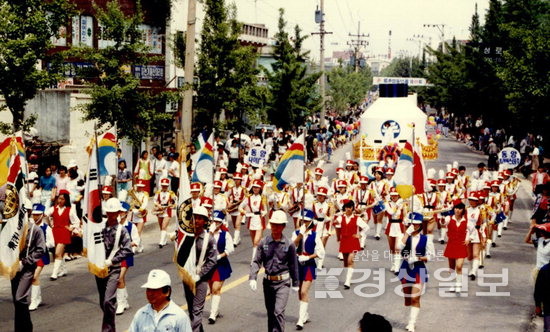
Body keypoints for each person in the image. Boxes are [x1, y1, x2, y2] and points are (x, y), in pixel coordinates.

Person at [250, 210, 299, 332]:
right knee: (271, 313)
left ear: (283, 226)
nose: (275, 227)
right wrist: (253, 277)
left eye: (278, 225)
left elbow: (293, 265)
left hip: (283, 283)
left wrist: (296, 283)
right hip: (268, 282)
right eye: (273, 224)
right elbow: (256, 261)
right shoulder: (264, 242)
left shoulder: (289, 244)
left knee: (278, 311)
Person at [95, 197, 133, 332]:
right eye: (109, 212)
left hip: (114, 269)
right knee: (103, 303)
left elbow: (128, 249)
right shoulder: (99, 227)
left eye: (114, 212)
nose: (111, 215)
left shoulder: (122, 230)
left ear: (118, 213)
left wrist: (112, 261)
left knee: (108, 301)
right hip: (99, 269)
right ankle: (111, 328)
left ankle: (107, 330)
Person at [11, 203, 46, 332]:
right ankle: (22, 328)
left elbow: (40, 249)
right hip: (14, 268)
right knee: (17, 301)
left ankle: (26, 327)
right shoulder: (14, 230)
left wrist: (25, 262)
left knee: (20, 297)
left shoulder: (35, 230)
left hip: (27, 268)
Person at [397, 212, 435, 332]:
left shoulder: (425, 239)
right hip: (405, 267)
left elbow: (431, 255)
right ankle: (410, 310)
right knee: (407, 296)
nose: (414, 226)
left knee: (415, 298)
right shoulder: (404, 236)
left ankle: (411, 323)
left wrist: (419, 258)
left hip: (419, 268)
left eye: (416, 224)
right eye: (412, 224)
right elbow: (398, 248)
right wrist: (406, 234)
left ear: (420, 226)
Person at [183, 206, 218, 332]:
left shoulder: (209, 239)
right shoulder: (186, 236)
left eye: (199, 218)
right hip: (187, 277)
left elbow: (212, 260)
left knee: (197, 311)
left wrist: (200, 275)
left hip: (200, 279)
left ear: (205, 221)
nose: (196, 221)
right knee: (191, 309)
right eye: (194, 217)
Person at [291, 209, 325, 330]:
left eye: (307, 221)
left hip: (309, 264)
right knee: (300, 291)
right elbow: (292, 247)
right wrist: (300, 235)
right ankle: (304, 314)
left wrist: (308, 256)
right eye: (303, 220)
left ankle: (300, 320)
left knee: (304, 291)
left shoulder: (315, 235)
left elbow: (321, 252)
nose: (304, 223)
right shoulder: (296, 233)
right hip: (297, 264)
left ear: (311, 222)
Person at [45, 189, 80, 280]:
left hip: (64, 233)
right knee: (60, 253)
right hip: (55, 232)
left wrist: (71, 228)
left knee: (57, 253)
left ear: (66, 200)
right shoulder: (53, 208)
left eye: (62, 199)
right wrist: (49, 223)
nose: (60, 201)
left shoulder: (69, 210)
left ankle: (54, 273)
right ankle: (63, 269)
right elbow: (45, 215)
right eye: (59, 199)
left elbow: (77, 221)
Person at [208, 210, 234, 324]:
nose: (215, 223)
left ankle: (212, 314)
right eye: (213, 221)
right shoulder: (207, 233)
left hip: (220, 264)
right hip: (208, 265)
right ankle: (216, 310)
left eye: (217, 222)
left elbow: (230, 249)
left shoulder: (225, 234)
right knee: (211, 288)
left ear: (221, 223)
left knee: (216, 289)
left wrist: (220, 256)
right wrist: (210, 234)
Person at [336, 200, 369, 288]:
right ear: (344, 208)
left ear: (352, 208)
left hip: (353, 241)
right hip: (344, 241)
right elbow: (336, 225)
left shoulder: (356, 218)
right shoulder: (340, 218)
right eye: (346, 207)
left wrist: (360, 235)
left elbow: (366, 227)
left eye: (350, 207)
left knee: (351, 260)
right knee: (346, 263)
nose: (348, 209)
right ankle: (348, 276)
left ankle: (347, 281)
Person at [29, 204, 54, 311]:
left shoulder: (46, 228)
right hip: (30, 256)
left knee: (34, 276)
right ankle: (37, 298)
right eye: (34, 215)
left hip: (41, 255)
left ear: (42, 215)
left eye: (37, 214)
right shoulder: (30, 226)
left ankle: (34, 301)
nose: (35, 217)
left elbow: (52, 243)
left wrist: (42, 245)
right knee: (33, 278)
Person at [116, 201, 139, 315]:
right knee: (121, 279)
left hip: (126, 255)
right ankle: (124, 301)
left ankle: (120, 303)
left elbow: (136, 241)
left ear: (126, 212)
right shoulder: (113, 225)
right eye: (118, 211)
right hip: (115, 256)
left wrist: (129, 245)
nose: (120, 213)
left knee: (119, 278)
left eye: (122, 212)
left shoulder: (131, 226)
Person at [442, 200, 468, 293]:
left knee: (459, 266)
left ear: (463, 210)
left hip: (461, 245)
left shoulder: (466, 220)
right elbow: (443, 223)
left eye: (460, 208)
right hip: (451, 244)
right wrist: (442, 217)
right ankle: (453, 284)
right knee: (452, 267)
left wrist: (469, 239)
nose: (457, 210)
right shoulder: (449, 218)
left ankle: (458, 285)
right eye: (456, 208)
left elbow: (472, 231)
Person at [153, 178, 177, 248]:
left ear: (168, 186)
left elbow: (175, 201)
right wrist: (158, 205)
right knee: (161, 227)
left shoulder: (171, 193)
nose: (164, 187)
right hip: (160, 210)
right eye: (163, 185)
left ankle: (161, 242)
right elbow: (154, 200)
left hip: (167, 211)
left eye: (166, 186)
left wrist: (172, 205)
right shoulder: (158, 192)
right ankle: (165, 239)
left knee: (164, 226)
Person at [534, 262, 550, 332]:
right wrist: (538, 306)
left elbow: (538, 290)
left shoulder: (544, 269)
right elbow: (538, 290)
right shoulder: (544, 270)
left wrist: (538, 306)